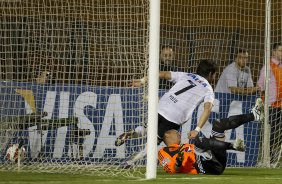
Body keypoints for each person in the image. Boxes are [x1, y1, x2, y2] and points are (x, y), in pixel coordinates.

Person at [115, 60, 216, 168]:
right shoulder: (208, 89)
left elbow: (161, 73)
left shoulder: (186, 75)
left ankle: (133, 132)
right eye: (215, 74)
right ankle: (131, 162)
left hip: (161, 107)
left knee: (149, 129)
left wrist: (142, 80)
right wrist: (197, 129)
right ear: (210, 74)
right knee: (155, 141)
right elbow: (207, 109)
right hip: (174, 117)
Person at [158, 98, 264, 174]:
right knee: (198, 142)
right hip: (208, 167)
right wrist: (179, 161)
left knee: (218, 125)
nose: (179, 133)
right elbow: (173, 170)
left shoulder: (184, 147)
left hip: (214, 157)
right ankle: (233, 146)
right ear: (167, 135)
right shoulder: (163, 152)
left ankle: (254, 115)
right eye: (176, 132)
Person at [257, 42, 282, 164]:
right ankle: (269, 158)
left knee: (277, 134)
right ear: (274, 52)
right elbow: (260, 85)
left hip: (281, 105)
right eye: (280, 51)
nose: (281, 53)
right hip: (272, 105)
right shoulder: (268, 66)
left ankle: (276, 157)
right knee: (271, 133)